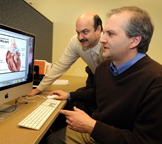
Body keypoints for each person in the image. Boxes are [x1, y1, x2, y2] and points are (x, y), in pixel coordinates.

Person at [47, 6, 162, 143]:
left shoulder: (156, 81)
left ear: (134, 41)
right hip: (99, 131)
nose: (102, 39)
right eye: (104, 32)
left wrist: (91, 126)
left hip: (111, 135)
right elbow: (97, 94)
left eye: (111, 34)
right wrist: (69, 95)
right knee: (51, 139)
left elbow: (143, 141)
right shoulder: (104, 67)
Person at [28, 11, 105, 96]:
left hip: (113, 79)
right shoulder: (76, 42)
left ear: (98, 30)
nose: (80, 37)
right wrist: (38, 89)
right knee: (79, 101)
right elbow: (61, 66)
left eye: (85, 32)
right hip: (95, 75)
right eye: (78, 32)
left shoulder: (109, 43)